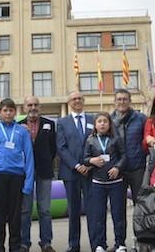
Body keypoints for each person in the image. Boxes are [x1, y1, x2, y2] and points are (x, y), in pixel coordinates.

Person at [0, 98, 35, 252]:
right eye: (5, 110)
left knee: (15, 216)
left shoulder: (22, 131)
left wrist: (29, 183)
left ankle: (15, 247)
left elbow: (29, 157)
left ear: (15, 113)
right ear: (0, 112)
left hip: (17, 177)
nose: (8, 113)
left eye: (11, 110)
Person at [56, 91, 95, 252]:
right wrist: (76, 165)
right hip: (71, 172)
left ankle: (97, 243)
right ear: (69, 102)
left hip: (91, 172)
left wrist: (89, 165)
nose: (77, 101)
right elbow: (61, 147)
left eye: (79, 98)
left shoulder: (94, 119)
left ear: (83, 100)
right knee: (74, 210)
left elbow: (99, 144)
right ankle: (74, 244)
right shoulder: (62, 122)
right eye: (73, 99)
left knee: (93, 209)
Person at [83, 112, 127, 252]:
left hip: (116, 182)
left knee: (118, 214)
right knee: (98, 215)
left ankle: (120, 243)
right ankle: (100, 245)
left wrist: (117, 167)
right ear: (95, 125)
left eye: (105, 121)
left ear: (110, 124)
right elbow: (84, 158)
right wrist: (91, 161)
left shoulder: (116, 138)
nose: (102, 124)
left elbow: (124, 156)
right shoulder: (90, 140)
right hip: (98, 183)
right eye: (99, 121)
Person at [19, 96, 57, 252]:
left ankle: (46, 242)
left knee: (45, 210)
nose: (33, 107)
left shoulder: (50, 124)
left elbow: (53, 148)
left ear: (40, 107)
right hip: (24, 173)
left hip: (44, 171)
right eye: (29, 104)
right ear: (24, 107)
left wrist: (46, 160)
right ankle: (24, 243)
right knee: (25, 210)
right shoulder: (18, 125)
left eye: (35, 105)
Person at [110, 89, 147, 205]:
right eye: (119, 99)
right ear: (115, 102)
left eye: (125, 99)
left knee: (141, 203)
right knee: (118, 206)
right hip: (117, 169)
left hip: (137, 168)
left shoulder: (141, 118)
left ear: (130, 101)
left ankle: (140, 224)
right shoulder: (109, 121)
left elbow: (147, 139)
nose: (122, 102)